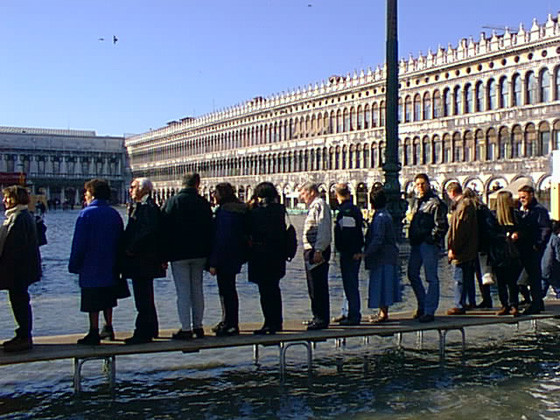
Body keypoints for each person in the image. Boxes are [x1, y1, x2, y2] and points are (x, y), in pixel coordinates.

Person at [69, 179, 124, 345]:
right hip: (110, 262)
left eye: (86, 193)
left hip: (90, 264)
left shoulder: (86, 214)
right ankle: (108, 327)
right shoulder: (114, 214)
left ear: (91, 195)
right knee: (108, 296)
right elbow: (121, 238)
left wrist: (74, 264)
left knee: (92, 299)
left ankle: (93, 331)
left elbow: (79, 242)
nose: (84, 196)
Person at [161, 173, 214, 340]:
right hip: (199, 253)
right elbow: (210, 228)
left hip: (178, 254)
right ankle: (198, 326)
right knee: (197, 290)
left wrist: (164, 255)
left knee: (183, 292)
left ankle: (185, 328)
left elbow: (164, 228)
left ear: (181, 184)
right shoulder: (203, 203)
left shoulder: (173, 202)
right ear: (197, 185)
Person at [120, 178, 166, 345]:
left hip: (142, 260)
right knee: (146, 295)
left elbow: (147, 231)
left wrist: (131, 248)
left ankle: (142, 332)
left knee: (142, 298)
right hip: (146, 259)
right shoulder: (145, 206)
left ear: (143, 190)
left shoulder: (147, 208)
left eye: (133, 187)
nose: (130, 190)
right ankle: (152, 328)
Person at [0, 186, 41, 352]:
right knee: (19, 300)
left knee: (20, 301)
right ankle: (23, 334)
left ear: (14, 199)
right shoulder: (21, 216)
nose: (4, 201)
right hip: (21, 269)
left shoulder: (18, 218)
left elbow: (14, 246)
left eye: (7, 197)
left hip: (18, 270)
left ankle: (24, 336)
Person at [208, 183, 249, 337]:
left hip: (224, 256)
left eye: (216, 192)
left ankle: (230, 323)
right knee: (229, 290)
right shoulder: (240, 210)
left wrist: (213, 262)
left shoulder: (225, 212)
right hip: (236, 255)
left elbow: (221, 238)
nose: (214, 196)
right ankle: (228, 321)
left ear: (222, 194)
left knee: (226, 291)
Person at [407, 174, 448, 323]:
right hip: (416, 242)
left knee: (431, 277)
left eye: (423, 184)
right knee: (412, 273)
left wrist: (432, 239)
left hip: (428, 244)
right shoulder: (418, 202)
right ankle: (422, 304)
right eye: (417, 184)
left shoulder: (436, 203)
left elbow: (441, 225)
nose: (420, 187)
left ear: (429, 184)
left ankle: (429, 310)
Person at [247, 182, 287, 335]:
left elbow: (250, 228)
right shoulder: (280, 210)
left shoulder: (257, 213)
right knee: (274, 289)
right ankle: (277, 322)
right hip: (278, 256)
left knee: (265, 291)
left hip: (262, 255)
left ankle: (269, 323)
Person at [364, 187, 401, 322]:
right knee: (384, 284)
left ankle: (383, 314)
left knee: (382, 285)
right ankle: (381, 312)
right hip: (388, 255)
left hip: (382, 257)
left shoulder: (380, 217)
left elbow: (378, 239)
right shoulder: (385, 215)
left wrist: (366, 253)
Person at [300, 182, 332, 330]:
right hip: (311, 250)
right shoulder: (314, 207)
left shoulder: (320, 205)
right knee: (313, 286)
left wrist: (319, 250)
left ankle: (321, 319)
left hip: (316, 251)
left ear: (311, 192)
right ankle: (317, 316)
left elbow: (324, 228)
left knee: (318, 285)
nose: (301, 196)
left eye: (303, 193)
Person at [333, 183, 364, 326]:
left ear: (336, 195)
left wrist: (351, 251)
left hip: (349, 253)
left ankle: (354, 315)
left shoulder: (346, 211)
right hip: (352, 251)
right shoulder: (353, 209)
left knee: (350, 284)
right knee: (350, 284)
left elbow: (349, 234)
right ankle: (348, 312)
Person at [517, 185, 551, 315]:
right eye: (520, 197)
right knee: (531, 277)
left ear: (531, 195)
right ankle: (537, 302)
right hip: (526, 248)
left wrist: (538, 244)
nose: (521, 200)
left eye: (524, 197)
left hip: (533, 248)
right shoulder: (525, 210)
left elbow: (545, 229)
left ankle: (536, 303)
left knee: (533, 277)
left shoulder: (539, 211)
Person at [446, 182, 479, 315]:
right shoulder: (467, 204)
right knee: (467, 276)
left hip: (462, 249)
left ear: (452, 192)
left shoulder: (463, 206)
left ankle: (459, 304)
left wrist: (453, 248)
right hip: (469, 247)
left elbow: (459, 230)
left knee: (459, 277)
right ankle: (470, 301)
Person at [491, 190, 522, 316]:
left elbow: (522, 229)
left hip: (512, 252)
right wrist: (505, 236)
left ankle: (513, 304)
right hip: (500, 252)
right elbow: (490, 234)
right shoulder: (493, 217)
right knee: (501, 281)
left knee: (512, 281)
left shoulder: (515, 215)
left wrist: (518, 234)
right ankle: (505, 304)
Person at [542, 220, 560, 299]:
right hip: (552, 267)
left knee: (542, 288)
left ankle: (536, 301)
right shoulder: (556, 239)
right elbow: (558, 255)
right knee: (558, 286)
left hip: (543, 266)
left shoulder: (544, 237)